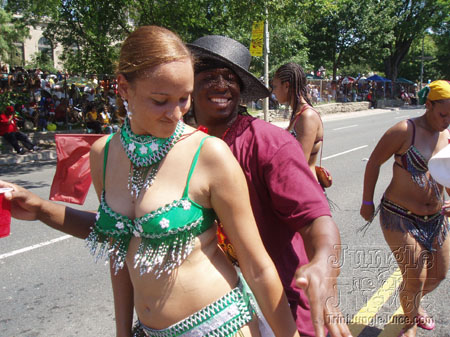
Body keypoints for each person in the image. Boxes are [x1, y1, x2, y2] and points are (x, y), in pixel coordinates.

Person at [0, 26, 299, 337]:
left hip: (220, 327)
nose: (176, 114)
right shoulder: (103, 154)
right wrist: (39, 209)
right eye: (160, 100)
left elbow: (257, 266)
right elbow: (120, 249)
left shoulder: (209, 154)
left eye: (184, 99)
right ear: (124, 88)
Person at [188, 35, 350, 337]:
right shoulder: (181, 146)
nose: (222, 85)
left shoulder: (268, 143)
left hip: (281, 309)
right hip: (212, 312)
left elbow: (318, 221)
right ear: (189, 86)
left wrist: (324, 274)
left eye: (230, 78)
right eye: (209, 77)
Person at [360, 80, 450, 337]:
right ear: (428, 105)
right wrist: (367, 201)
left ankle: (412, 302)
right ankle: (409, 322)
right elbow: (374, 162)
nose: (447, 121)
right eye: (443, 114)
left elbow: (448, 174)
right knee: (416, 277)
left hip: (436, 218)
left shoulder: (447, 134)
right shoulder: (403, 130)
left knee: (438, 275)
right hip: (399, 217)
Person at [272, 62, 324, 182]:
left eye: (274, 87)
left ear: (286, 85)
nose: (273, 92)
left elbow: (299, 164)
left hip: (306, 191)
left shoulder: (307, 116)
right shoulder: (298, 114)